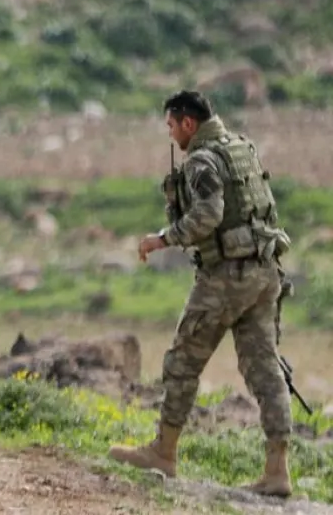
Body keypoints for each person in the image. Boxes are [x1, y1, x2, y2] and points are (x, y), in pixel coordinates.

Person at [108, 90, 294, 498]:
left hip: (226, 278)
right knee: (266, 371)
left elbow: (208, 215)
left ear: (188, 123)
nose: (171, 134)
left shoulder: (202, 160)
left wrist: (164, 238)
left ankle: (163, 452)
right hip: (264, 272)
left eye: (172, 126)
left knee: (182, 361)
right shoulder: (241, 147)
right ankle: (277, 471)